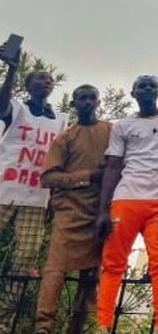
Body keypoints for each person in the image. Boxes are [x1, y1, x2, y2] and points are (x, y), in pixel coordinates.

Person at [94, 75, 158, 334]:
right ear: (133, 93)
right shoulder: (122, 125)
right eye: (142, 86)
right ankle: (102, 325)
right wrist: (103, 210)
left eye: (152, 85)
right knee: (113, 262)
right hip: (126, 199)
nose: (147, 89)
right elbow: (113, 166)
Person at [0, 47, 69, 334]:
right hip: (4, 187)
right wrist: (12, 69)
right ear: (28, 85)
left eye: (49, 80)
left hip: (37, 197)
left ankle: (4, 317)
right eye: (39, 79)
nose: (46, 82)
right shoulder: (16, 107)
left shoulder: (61, 119)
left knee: (24, 258)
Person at [34, 85, 111, 334]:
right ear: (74, 104)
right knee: (56, 267)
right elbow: (48, 177)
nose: (87, 102)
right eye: (82, 98)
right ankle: (44, 324)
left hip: (100, 210)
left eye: (91, 97)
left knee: (91, 273)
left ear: (98, 101)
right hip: (69, 211)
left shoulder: (111, 131)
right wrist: (88, 176)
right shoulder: (65, 137)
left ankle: (79, 326)